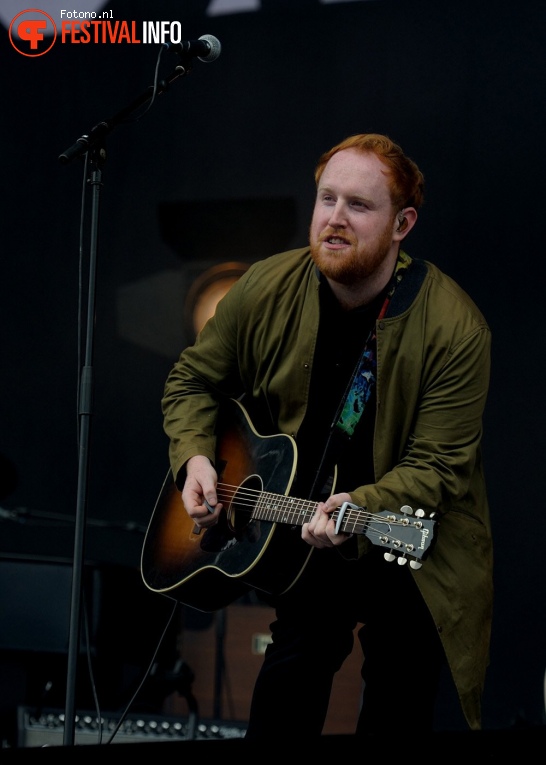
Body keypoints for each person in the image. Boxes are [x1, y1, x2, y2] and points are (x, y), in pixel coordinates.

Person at [161, 133, 493, 738]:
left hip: (406, 537)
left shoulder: (455, 327)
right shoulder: (266, 286)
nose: (335, 220)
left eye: (359, 206)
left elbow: (440, 468)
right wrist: (197, 461)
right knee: (286, 693)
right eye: (326, 199)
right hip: (308, 530)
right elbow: (191, 380)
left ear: (402, 223)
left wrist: (359, 506)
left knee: (399, 691)